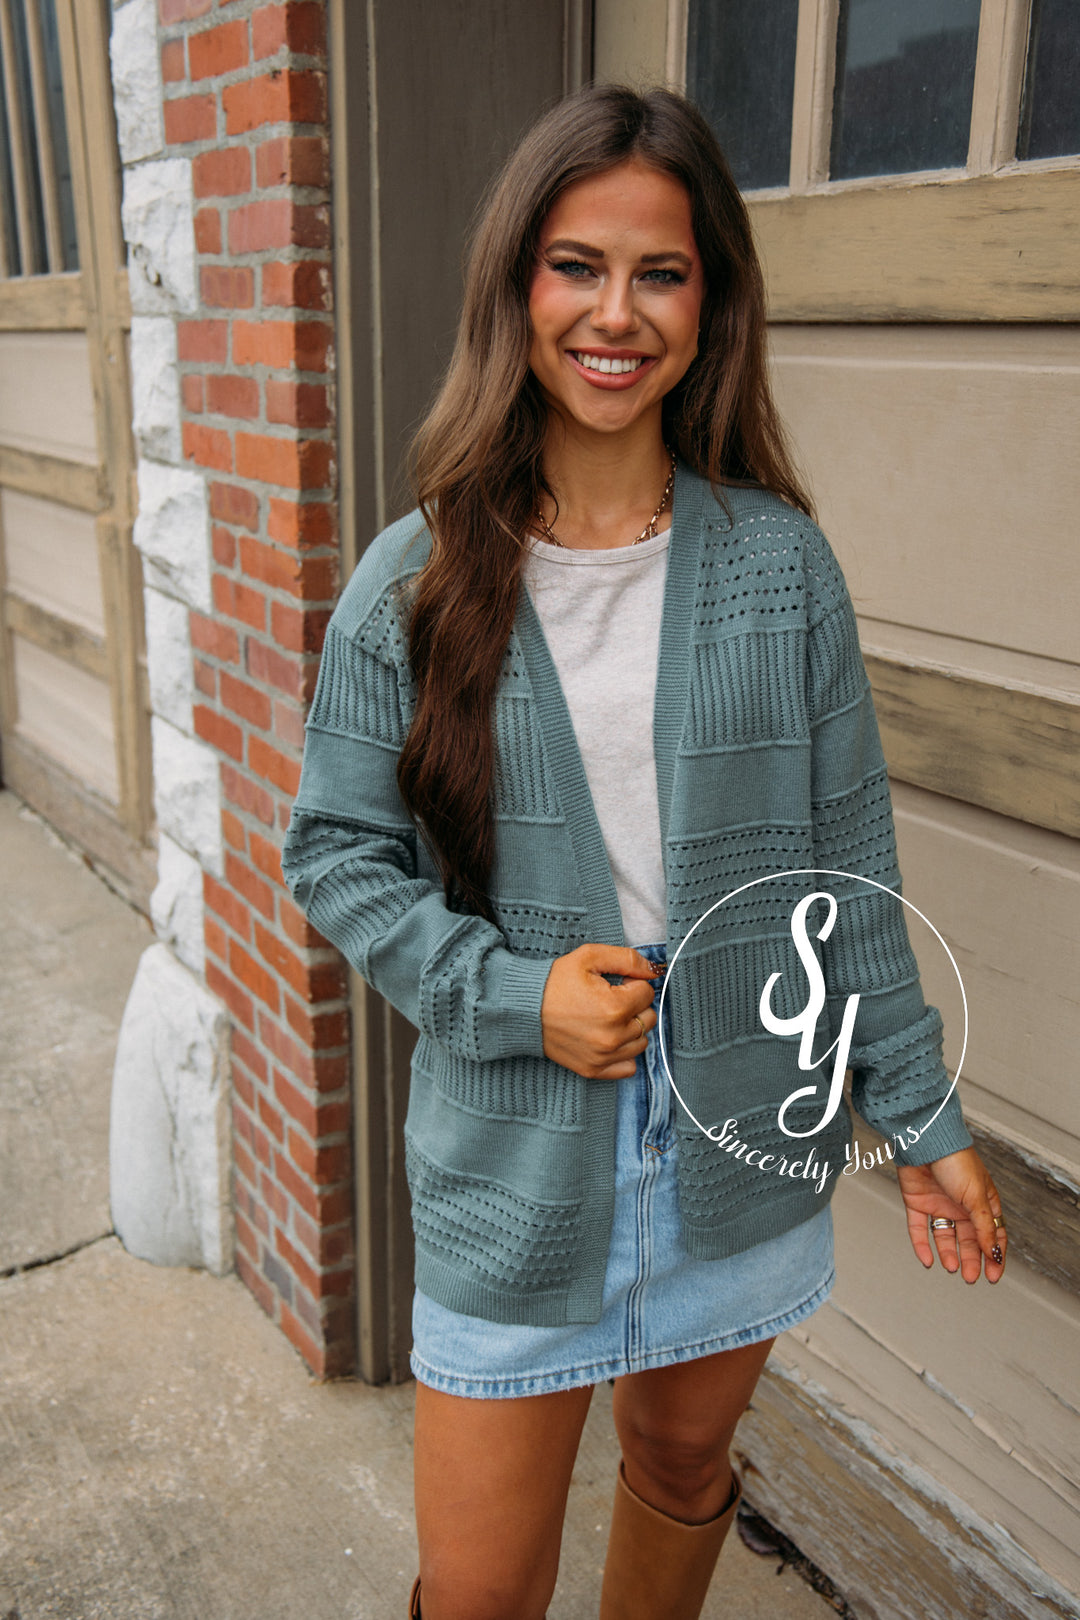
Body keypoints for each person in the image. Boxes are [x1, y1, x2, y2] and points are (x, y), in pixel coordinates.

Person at [282, 85, 1006, 1620]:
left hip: (746, 1127)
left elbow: (848, 869)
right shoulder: (413, 582)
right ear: (516, 287)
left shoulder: (779, 565)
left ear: (710, 301)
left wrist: (919, 1114)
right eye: (576, 266)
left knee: (682, 1466)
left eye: (660, 273)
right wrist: (514, 994)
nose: (616, 314)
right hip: (518, 1148)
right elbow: (337, 853)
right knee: (480, 1587)